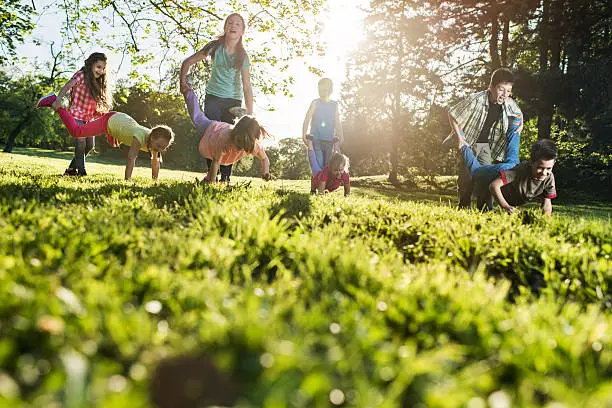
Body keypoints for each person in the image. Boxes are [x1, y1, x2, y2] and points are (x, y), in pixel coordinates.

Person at [180, 13, 253, 183]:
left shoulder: (243, 56)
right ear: (225, 26)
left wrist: (250, 113)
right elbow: (187, 62)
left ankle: (225, 177)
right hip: (213, 97)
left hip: (233, 102)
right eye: (230, 22)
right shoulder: (215, 47)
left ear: (242, 31)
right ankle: (211, 173)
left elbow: (247, 86)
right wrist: (182, 83)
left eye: (237, 24)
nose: (233, 25)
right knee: (211, 133)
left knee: (231, 137)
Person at [36, 93, 174, 180]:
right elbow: (131, 158)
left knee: (114, 144)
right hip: (110, 121)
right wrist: (128, 180)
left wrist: (154, 181)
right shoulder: (140, 137)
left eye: (164, 147)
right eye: (159, 146)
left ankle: (72, 169)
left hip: (121, 123)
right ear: (152, 137)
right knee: (76, 132)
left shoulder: (155, 146)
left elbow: (155, 163)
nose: (160, 149)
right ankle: (57, 103)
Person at [447, 67, 522, 210]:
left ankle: (485, 210)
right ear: (491, 87)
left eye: (508, 90)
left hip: (484, 146)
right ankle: (464, 207)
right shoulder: (476, 99)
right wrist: (459, 138)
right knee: (466, 177)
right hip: (468, 141)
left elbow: (518, 113)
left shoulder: (508, 102)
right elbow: (452, 114)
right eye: (501, 89)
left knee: (486, 176)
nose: (505, 94)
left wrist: (521, 123)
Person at [182, 88, 271, 183]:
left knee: (229, 154)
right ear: (236, 133)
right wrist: (211, 183)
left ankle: (242, 115)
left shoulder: (255, 145)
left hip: (231, 132)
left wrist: (266, 172)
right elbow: (216, 161)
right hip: (213, 129)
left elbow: (265, 159)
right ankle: (188, 91)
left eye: (243, 143)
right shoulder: (226, 138)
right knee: (198, 118)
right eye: (239, 141)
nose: (239, 145)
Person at [457, 132, 558, 216]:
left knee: (513, 155)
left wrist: (545, 220)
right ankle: (462, 146)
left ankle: (515, 129)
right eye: (540, 168)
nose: (544, 173)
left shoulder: (549, 177)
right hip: (499, 172)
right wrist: (506, 206)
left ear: (554, 163)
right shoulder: (519, 172)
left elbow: (547, 204)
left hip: (513, 165)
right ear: (531, 162)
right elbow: (494, 186)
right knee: (475, 171)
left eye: (548, 168)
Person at [51, 52, 112, 177]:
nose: (100, 71)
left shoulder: (97, 83)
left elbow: (92, 103)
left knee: (90, 145)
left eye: (103, 68)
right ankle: (81, 171)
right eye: (98, 67)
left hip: (88, 119)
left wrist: (98, 113)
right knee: (81, 142)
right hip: (76, 115)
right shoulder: (81, 75)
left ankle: (71, 170)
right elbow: (66, 87)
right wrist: (58, 99)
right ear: (91, 65)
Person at [302, 78, 344, 173]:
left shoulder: (334, 104)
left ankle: (324, 187)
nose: (321, 93)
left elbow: (337, 121)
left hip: (329, 140)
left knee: (328, 166)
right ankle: (315, 187)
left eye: (324, 90)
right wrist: (303, 134)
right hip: (316, 140)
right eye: (319, 90)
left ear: (330, 90)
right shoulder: (315, 103)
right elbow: (307, 118)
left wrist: (341, 136)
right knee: (318, 164)